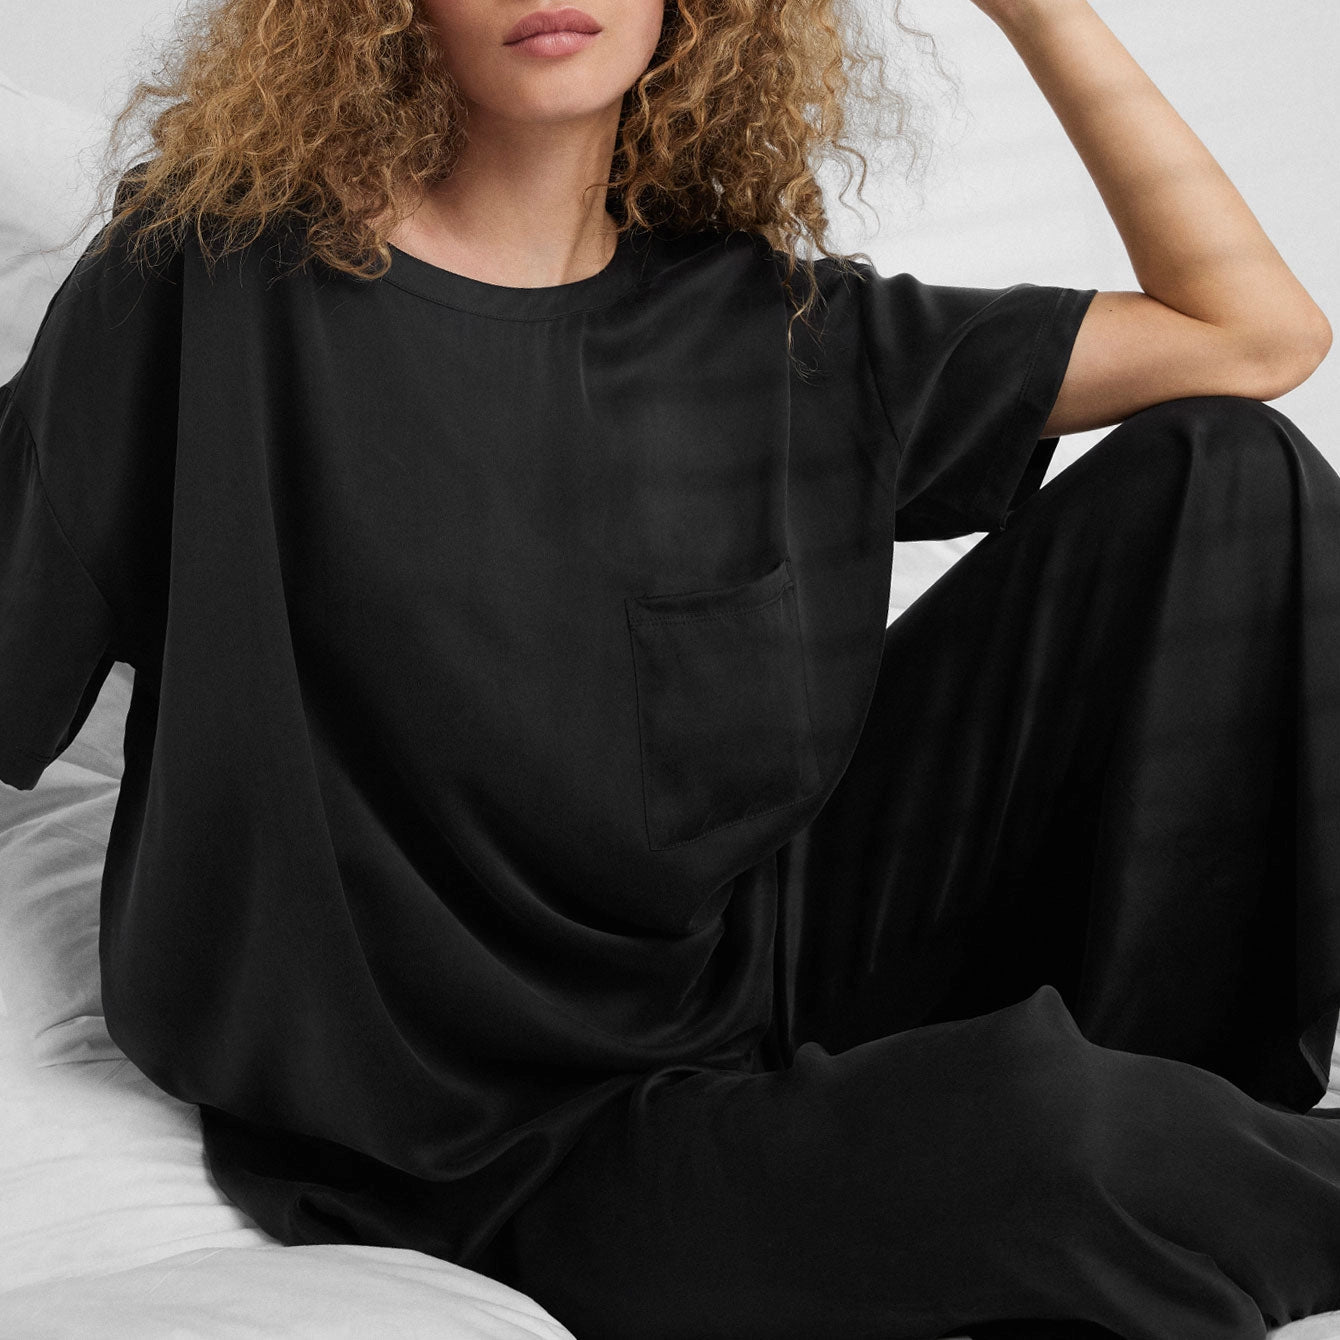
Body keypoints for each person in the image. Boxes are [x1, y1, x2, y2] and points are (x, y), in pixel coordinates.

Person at [2, 0, 1339, 1335]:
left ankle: (1201, 1112)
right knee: (1054, 1146)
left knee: (1225, 473)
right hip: (518, 1147)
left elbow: (1253, 339)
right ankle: (1163, 1152)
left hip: (749, 967)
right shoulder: (209, 275)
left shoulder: (766, 322)